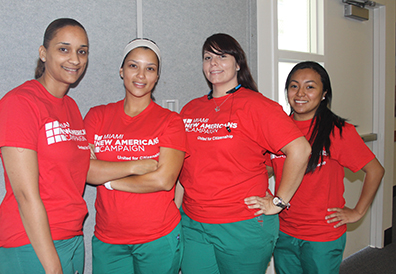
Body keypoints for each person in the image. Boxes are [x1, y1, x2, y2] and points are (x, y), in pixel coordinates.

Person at [175, 33, 311, 274]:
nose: (213, 63)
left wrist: (279, 201)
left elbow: (300, 149)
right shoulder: (190, 109)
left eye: (221, 56)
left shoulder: (257, 106)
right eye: (207, 57)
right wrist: (175, 212)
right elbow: (183, 169)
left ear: (238, 63)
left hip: (243, 225)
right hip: (194, 223)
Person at [246, 61, 385, 274]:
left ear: (323, 94)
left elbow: (375, 170)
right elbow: (266, 168)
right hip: (284, 229)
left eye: (310, 87)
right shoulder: (278, 128)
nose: (300, 93)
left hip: (322, 236)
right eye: (294, 86)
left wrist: (358, 212)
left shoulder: (338, 131)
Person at [0, 18, 90, 274]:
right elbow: (25, 194)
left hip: (71, 235)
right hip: (30, 242)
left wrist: (139, 166)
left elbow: (81, 169)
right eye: (64, 49)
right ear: (43, 53)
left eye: (82, 51)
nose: (75, 59)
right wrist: (52, 266)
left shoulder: (71, 107)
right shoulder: (20, 104)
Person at [84, 38, 187, 274]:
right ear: (121, 71)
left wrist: (107, 179)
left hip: (158, 237)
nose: (141, 75)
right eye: (133, 66)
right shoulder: (97, 116)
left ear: (157, 76)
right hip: (109, 238)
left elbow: (163, 180)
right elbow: (86, 171)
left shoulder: (171, 122)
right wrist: (136, 165)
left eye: (150, 68)